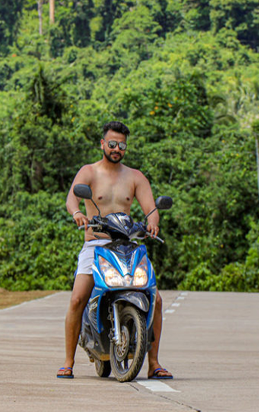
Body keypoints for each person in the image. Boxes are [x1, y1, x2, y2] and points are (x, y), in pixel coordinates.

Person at [56, 121, 173, 380]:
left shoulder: (135, 177)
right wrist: (77, 213)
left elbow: (150, 209)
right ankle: (68, 361)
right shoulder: (89, 172)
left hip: (128, 244)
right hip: (96, 244)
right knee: (77, 299)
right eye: (112, 144)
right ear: (102, 144)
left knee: (157, 300)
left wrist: (153, 223)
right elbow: (71, 197)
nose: (117, 148)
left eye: (121, 145)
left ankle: (153, 363)